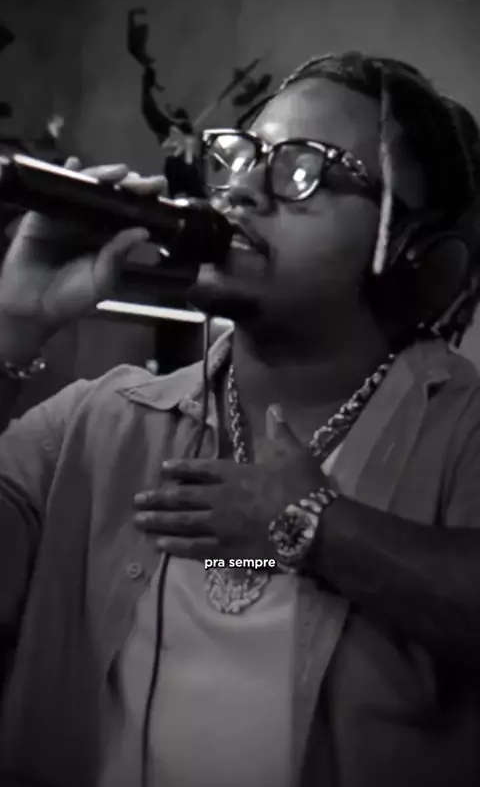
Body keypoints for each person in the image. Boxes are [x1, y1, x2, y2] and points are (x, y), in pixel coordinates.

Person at [0, 51, 480, 787]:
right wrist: (11, 328)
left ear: (411, 255)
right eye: (240, 156)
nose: (241, 189)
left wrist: (314, 528)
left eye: (303, 170)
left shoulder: (462, 430)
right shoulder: (98, 422)